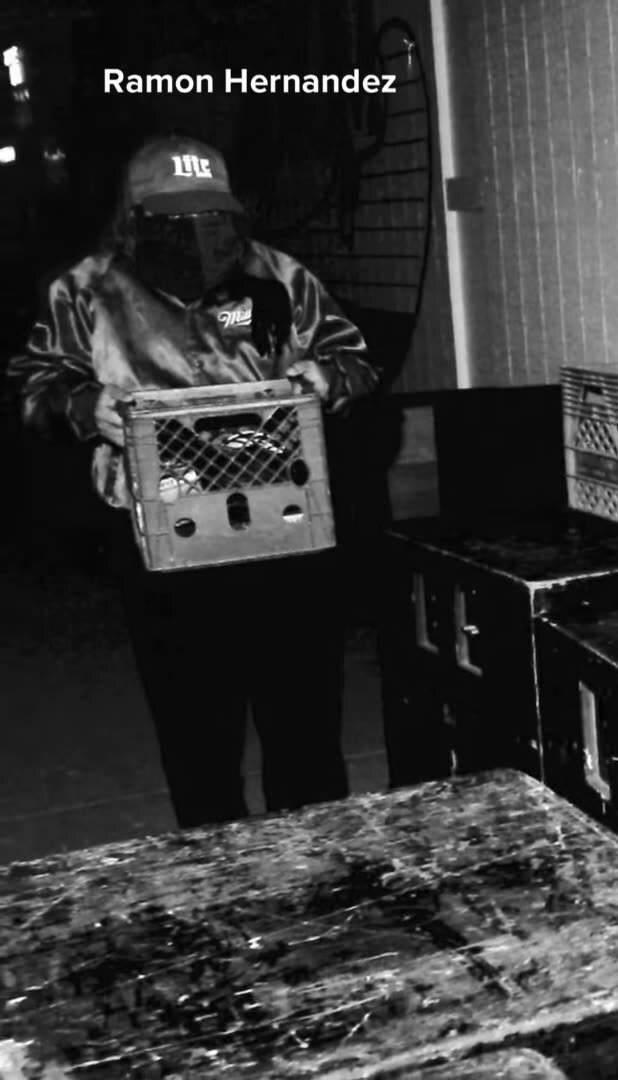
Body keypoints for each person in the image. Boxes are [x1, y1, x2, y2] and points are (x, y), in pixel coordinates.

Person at [8, 134, 381, 829]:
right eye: (174, 220)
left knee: (303, 723)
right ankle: (215, 859)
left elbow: (353, 358)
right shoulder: (86, 291)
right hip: (163, 536)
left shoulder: (278, 277)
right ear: (134, 218)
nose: (197, 235)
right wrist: (84, 406)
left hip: (281, 523)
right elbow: (33, 384)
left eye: (212, 216)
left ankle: (315, 853)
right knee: (197, 734)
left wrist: (329, 378)